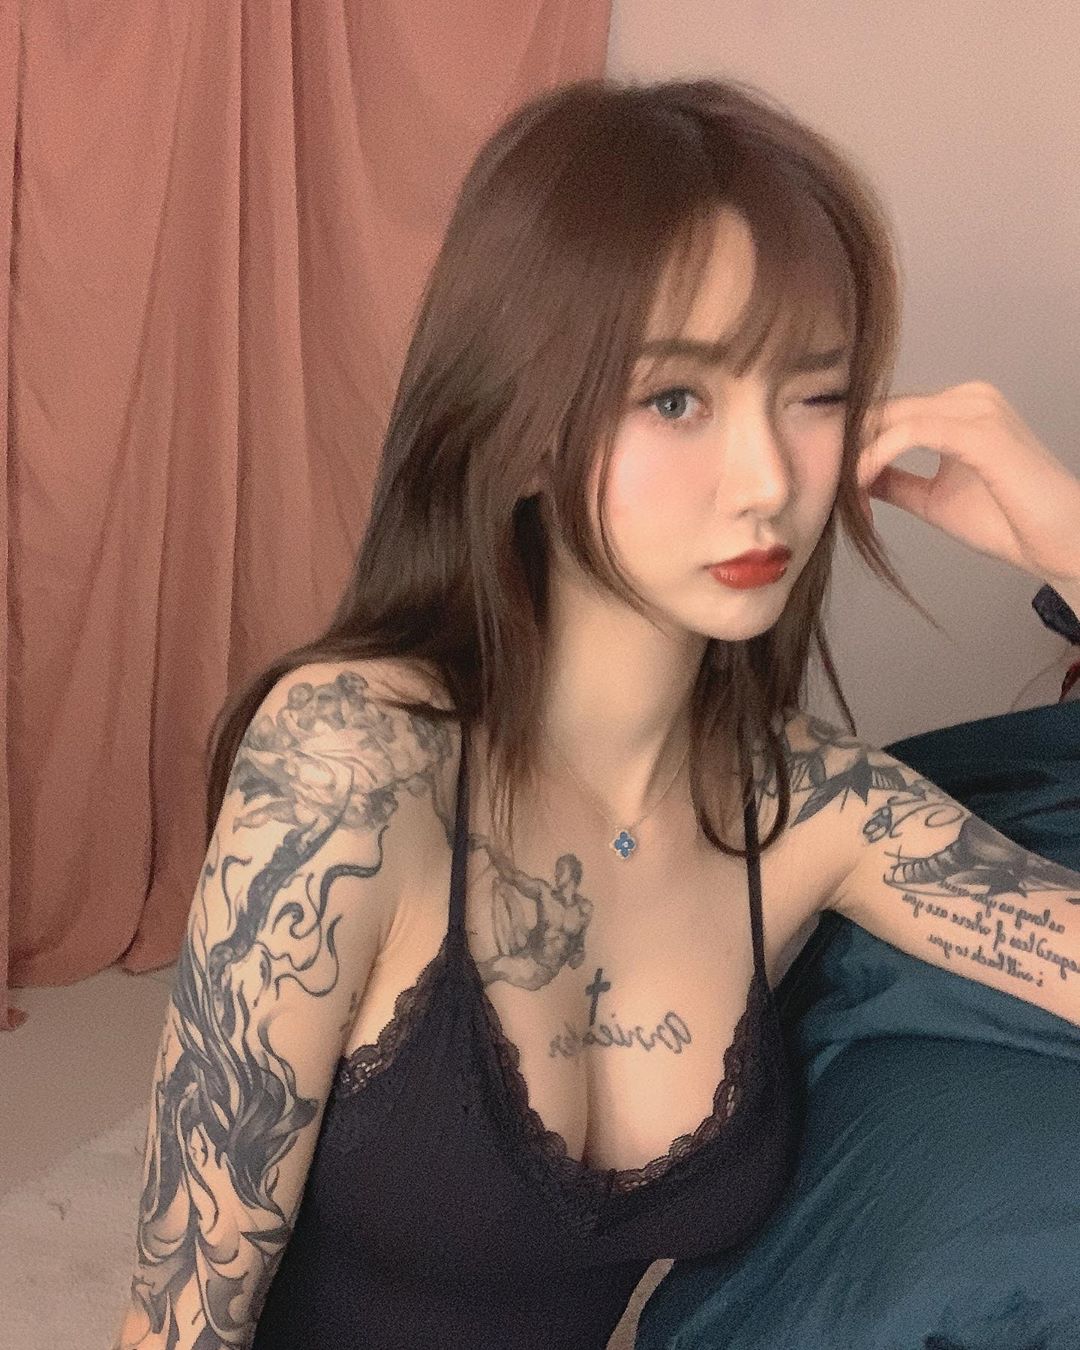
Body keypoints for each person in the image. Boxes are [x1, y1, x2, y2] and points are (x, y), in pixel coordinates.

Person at [111, 76, 1080, 1350]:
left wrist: (1075, 548)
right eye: (675, 399)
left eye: (814, 393)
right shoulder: (352, 761)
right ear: (517, 426)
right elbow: (180, 1321)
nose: (767, 481)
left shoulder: (821, 812)